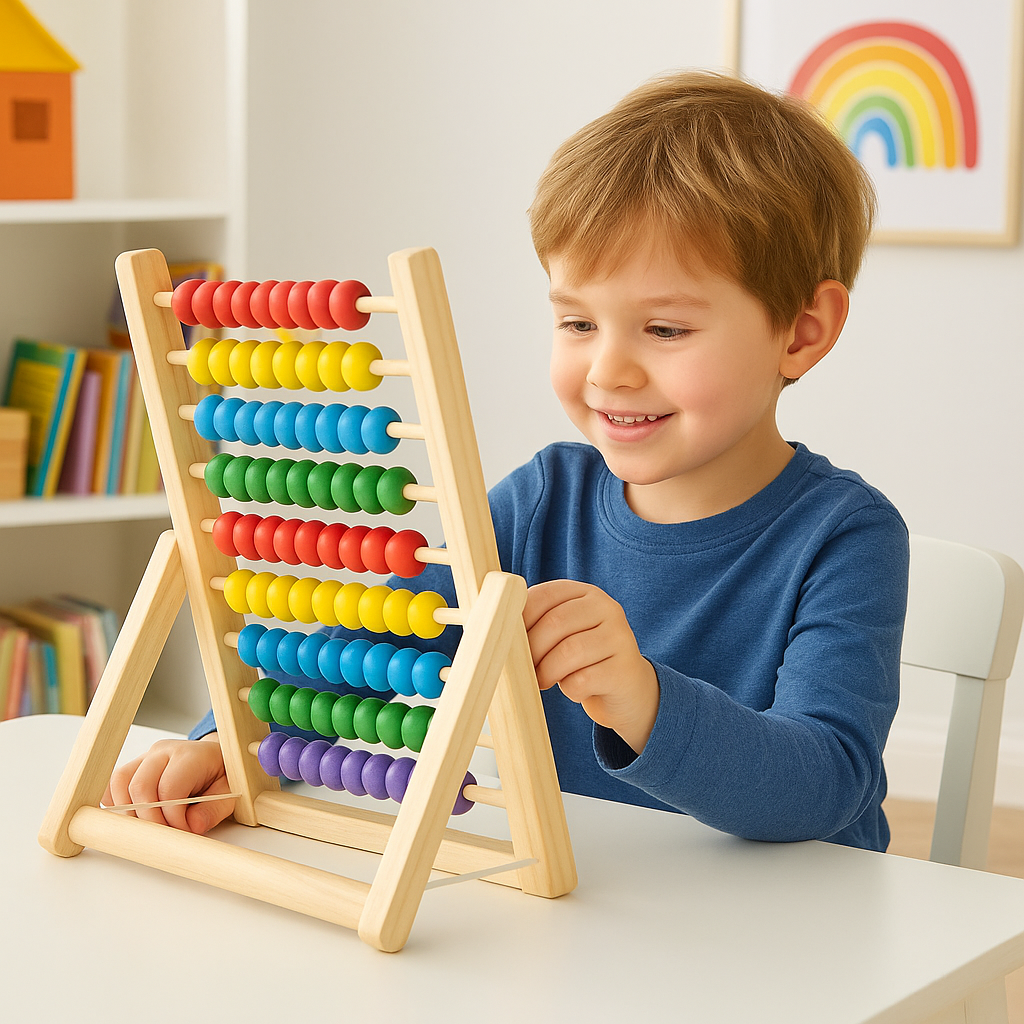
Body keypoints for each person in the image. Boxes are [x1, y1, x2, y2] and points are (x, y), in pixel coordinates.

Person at [105, 70, 909, 850]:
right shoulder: (543, 500)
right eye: (577, 323)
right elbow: (370, 648)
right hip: (584, 910)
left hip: (791, 940)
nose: (608, 371)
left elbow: (825, 782)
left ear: (802, 333)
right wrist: (226, 740)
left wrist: (643, 698)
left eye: (665, 330)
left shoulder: (845, 537)